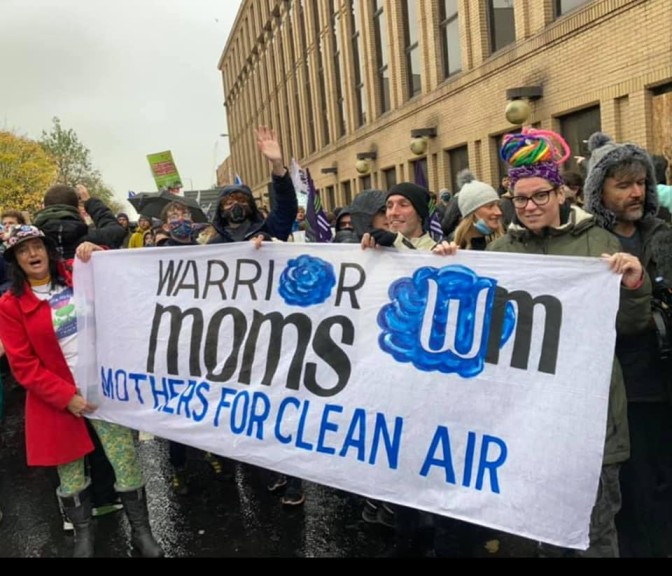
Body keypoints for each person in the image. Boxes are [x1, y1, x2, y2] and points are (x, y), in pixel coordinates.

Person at [484, 127, 648, 558]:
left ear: (561, 193)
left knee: (596, 534)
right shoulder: (499, 251)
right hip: (530, 421)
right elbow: (486, 334)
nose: (530, 206)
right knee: (547, 535)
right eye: (521, 199)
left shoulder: (599, 243)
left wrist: (633, 284)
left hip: (592, 421)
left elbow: (630, 326)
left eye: (540, 195)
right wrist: (452, 267)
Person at [0, 225, 164, 558]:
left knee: (125, 461)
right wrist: (66, 397)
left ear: (48, 249)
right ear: (16, 261)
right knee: (70, 474)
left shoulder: (78, 273)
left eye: (37, 247)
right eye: (23, 251)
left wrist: (98, 252)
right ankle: (83, 537)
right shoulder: (10, 304)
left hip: (101, 389)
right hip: (56, 400)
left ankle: (142, 533)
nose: (33, 254)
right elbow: (23, 364)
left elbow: (121, 277)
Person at [582, 133, 672, 557]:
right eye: (623, 184)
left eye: (641, 182)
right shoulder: (587, 245)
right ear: (599, 192)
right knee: (630, 494)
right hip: (619, 390)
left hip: (662, 381)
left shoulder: (662, 234)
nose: (636, 192)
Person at [208, 126, 297, 245]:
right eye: (229, 203)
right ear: (221, 210)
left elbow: (286, 207)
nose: (236, 205)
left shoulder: (268, 230)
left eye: (242, 200)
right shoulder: (214, 244)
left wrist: (277, 165)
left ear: (251, 206)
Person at [33, 184, 126, 258]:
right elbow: (117, 231)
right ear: (77, 208)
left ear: (44, 208)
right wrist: (90, 202)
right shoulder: (92, 239)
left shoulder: (31, 243)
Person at [451, 170, 504, 249]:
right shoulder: (453, 248)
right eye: (490, 206)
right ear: (472, 213)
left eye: (498, 205)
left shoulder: (506, 245)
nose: (499, 212)